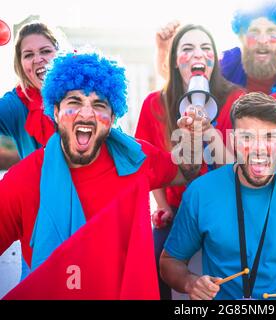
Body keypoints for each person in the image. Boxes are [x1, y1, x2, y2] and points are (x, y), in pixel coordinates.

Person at [0, 51, 205, 288]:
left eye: (99, 105)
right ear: (55, 112)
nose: (86, 113)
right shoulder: (23, 180)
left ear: (112, 117)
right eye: (74, 102)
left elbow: (185, 171)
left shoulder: (135, 159)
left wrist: (192, 137)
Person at [160, 92, 276, 300]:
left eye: (270, 137)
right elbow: (169, 261)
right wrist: (190, 283)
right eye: (247, 137)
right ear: (233, 141)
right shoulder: (200, 192)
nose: (259, 148)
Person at [135, 24, 244, 299]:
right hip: (178, 208)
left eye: (206, 48)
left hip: (226, 207)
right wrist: (162, 207)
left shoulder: (236, 100)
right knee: (150, 259)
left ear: (215, 60)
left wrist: (210, 135)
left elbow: (240, 170)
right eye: (187, 49)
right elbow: (147, 165)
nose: (198, 55)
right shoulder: (154, 104)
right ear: (174, 61)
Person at [0, 22, 58, 160]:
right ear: (20, 64)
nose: (38, 59)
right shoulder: (16, 105)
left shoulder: (85, 92)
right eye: (28, 55)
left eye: (46, 51)